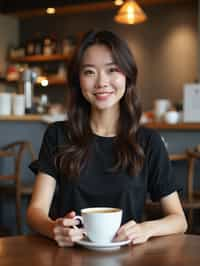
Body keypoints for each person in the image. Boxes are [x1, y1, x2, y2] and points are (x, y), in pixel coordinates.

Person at [27, 30, 187, 247]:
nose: (102, 82)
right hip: (68, 258)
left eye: (112, 70)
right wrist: (54, 228)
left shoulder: (149, 142)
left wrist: (146, 228)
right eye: (90, 72)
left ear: (127, 76)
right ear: (78, 80)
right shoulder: (58, 135)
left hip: (130, 257)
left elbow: (179, 220)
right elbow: (36, 211)